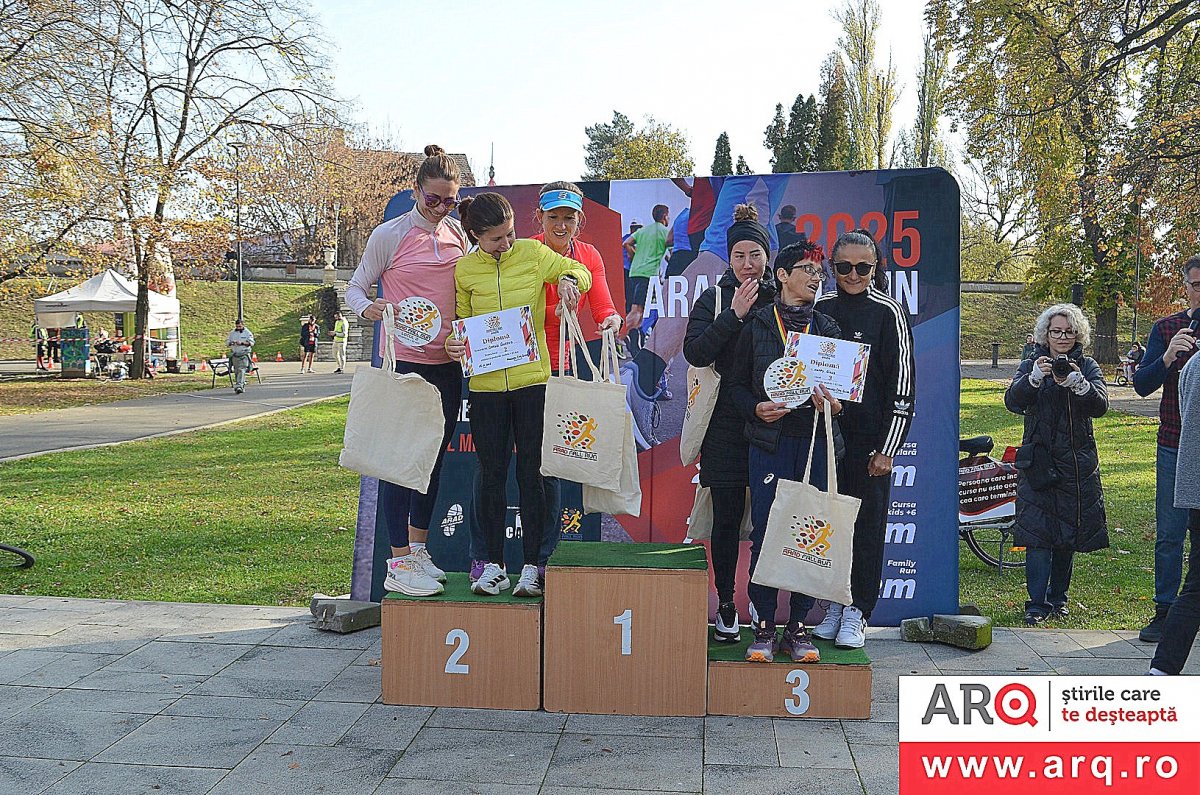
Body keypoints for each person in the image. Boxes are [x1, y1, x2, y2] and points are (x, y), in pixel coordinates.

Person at [467, 182, 621, 583]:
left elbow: (602, 303)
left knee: (543, 469)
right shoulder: (524, 251)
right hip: (507, 367)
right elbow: (490, 312)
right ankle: (485, 557)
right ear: (540, 217)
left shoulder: (587, 255)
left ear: (579, 219)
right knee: (491, 467)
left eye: (569, 217)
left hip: (555, 371)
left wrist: (610, 319)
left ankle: (540, 559)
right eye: (554, 217)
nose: (561, 224)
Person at [449, 192, 591, 598]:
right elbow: (462, 322)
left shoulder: (532, 253)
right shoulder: (464, 270)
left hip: (532, 384)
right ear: (475, 237)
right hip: (486, 389)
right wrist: (455, 345)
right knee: (491, 475)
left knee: (533, 475)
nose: (507, 244)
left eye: (510, 234)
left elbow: (580, 270)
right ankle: (492, 565)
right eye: (497, 239)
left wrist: (569, 281)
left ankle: (532, 566)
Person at [346, 144, 470, 597]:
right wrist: (370, 309)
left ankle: (418, 551)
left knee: (431, 462)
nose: (440, 208)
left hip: (446, 366)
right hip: (404, 364)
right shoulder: (390, 234)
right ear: (416, 191)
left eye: (450, 201)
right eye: (432, 198)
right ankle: (397, 561)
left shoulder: (459, 235)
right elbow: (355, 288)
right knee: (398, 463)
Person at [729, 239, 843, 663]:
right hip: (769, 444)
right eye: (808, 270)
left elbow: (844, 395)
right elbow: (735, 386)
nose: (816, 278)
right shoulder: (758, 325)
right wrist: (755, 409)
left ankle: (797, 626)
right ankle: (762, 625)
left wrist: (835, 406)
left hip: (814, 444)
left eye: (819, 272)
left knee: (809, 534)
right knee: (768, 532)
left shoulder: (828, 329)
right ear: (782, 275)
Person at [814, 229, 916, 649]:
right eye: (844, 267)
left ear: (875, 268)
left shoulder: (888, 311)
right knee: (827, 526)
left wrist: (888, 449)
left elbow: (903, 386)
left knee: (867, 528)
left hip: (870, 444)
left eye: (863, 267)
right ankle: (834, 603)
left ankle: (858, 610)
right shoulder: (819, 307)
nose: (853, 275)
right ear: (832, 267)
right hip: (823, 438)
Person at [684, 203, 777, 643]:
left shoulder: (783, 297)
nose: (747, 264)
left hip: (773, 423)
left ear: (767, 256)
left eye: (755, 254)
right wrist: (733, 315)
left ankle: (764, 604)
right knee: (725, 519)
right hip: (724, 425)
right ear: (729, 258)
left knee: (770, 517)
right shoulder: (715, 298)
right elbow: (696, 352)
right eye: (739, 255)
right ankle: (725, 603)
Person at [1004, 304, 1109, 626]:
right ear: (1045, 334)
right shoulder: (1031, 364)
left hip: (1075, 463)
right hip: (1039, 461)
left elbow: (1100, 406)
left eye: (1068, 332)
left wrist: (1078, 383)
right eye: (1056, 332)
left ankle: (1058, 599)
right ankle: (1036, 603)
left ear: (1078, 335)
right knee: (1037, 533)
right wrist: (1035, 378)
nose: (1062, 338)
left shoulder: (1087, 366)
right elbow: (1012, 401)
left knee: (1068, 533)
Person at [1133, 255, 1200, 642]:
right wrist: (1167, 355)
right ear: (1185, 286)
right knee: (1171, 533)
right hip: (1175, 444)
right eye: (1196, 285)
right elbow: (1142, 384)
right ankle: (1165, 611)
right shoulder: (1167, 328)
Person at [1149, 352, 1200, 675]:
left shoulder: (1193, 365)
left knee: (1195, 587)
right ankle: (1163, 670)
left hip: (1195, 490)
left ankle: (1162, 670)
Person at [621, 204, 670, 355]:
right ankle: (617, 335)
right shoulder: (665, 232)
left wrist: (633, 255)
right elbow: (670, 254)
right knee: (637, 310)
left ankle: (634, 341)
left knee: (641, 311)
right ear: (664, 216)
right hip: (647, 274)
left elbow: (626, 243)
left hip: (635, 272)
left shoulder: (643, 231)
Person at [226, 318, 255, 393]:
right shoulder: (232, 333)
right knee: (236, 371)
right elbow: (227, 342)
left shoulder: (247, 333)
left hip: (244, 354)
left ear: (243, 325)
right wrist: (231, 343)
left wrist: (242, 343)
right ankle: (239, 384)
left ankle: (239, 386)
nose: (238, 328)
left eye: (240, 326)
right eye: (237, 326)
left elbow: (251, 343)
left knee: (242, 370)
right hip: (235, 354)